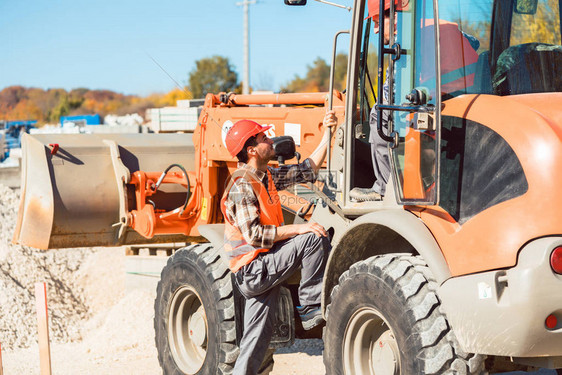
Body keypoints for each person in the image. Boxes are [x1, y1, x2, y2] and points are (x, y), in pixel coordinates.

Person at [220, 111, 337, 375]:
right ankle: (309, 308)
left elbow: (307, 170)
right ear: (251, 150)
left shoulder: (266, 176)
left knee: (254, 343)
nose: (270, 140)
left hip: (262, 264)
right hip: (253, 269)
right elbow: (256, 236)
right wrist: (300, 227)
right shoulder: (241, 185)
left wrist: (327, 134)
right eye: (263, 138)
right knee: (311, 237)